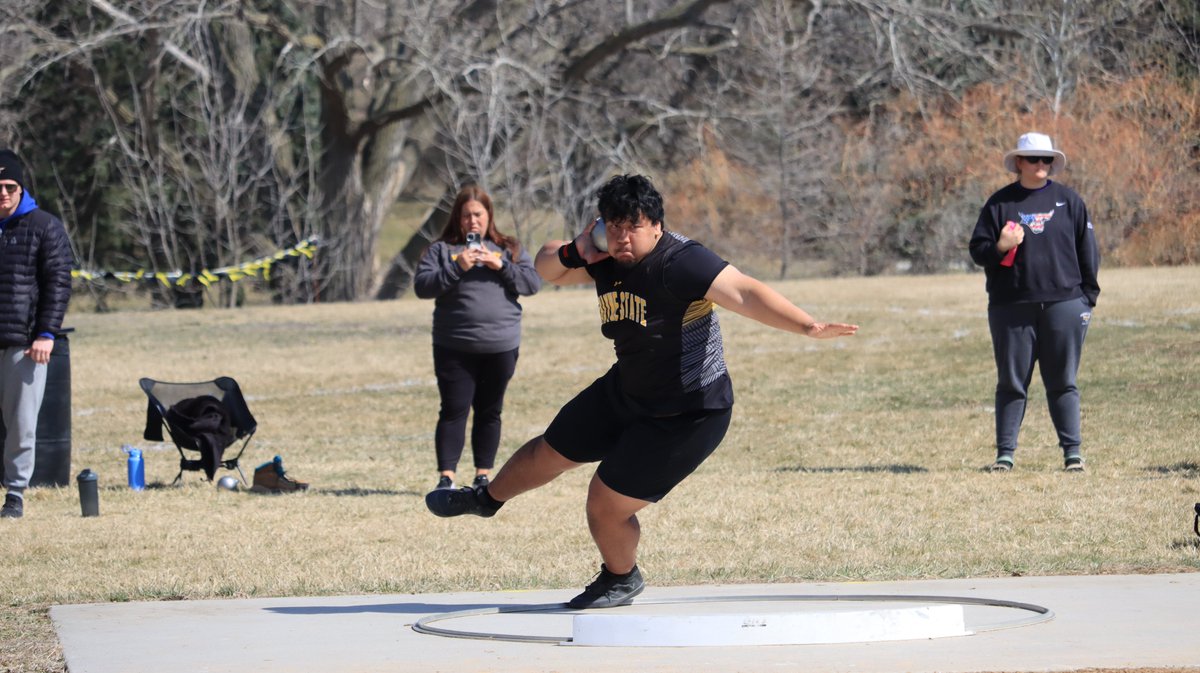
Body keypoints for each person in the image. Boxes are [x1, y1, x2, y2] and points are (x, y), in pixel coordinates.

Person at [425, 174, 858, 608]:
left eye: (632, 226)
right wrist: (579, 248)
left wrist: (807, 325)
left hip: (688, 411)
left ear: (656, 226)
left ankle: (620, 577)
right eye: (613, 226)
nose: (622, 237)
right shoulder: (605, 253)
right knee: (547, 451)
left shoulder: (681, 261)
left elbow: (744, 291)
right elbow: (546, 268)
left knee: (605, 502)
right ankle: (486, 499)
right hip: (628, 388)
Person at [969, 132, 1100, 473]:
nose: (1041, 165)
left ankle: (1072, 454)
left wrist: (1088, 299)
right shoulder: (999, 204)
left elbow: (1089, 251)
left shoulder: (1069, 201)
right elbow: (978, 252)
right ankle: (1005, 454)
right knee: (1012, 382)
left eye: (1047, 160)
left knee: (1063, 381)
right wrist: (1001, 245)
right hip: (1011, 307)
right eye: (1034, 159)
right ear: (1018, 163)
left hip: (1065, 304)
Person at [413, 185, 541, 492]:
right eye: (466, 215)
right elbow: (422, 286)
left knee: (490, 410)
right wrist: (457, 266)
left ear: (489, 216)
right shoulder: (441, 251)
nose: (473, 221)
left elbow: (532, 283)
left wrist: (501, 265)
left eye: (478, 214)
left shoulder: (508, 248)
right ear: (457, 217)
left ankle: (483, 475)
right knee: (454, 409)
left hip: (501, 345)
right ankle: (447, 478)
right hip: (454, 346)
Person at [0, 149, 73, 519]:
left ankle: (15, 493)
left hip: (25, 344)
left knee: (21, 422)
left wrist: (46, 333)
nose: (2, 193)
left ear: (20, 186)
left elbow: (58, 283)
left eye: (9, 185)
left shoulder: (44, 226)